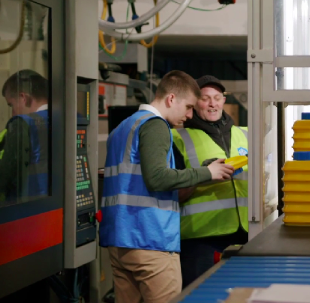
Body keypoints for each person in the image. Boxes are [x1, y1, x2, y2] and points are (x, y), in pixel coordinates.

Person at [99, 70, 234, 303]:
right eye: (189, 107)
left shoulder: (123, 127)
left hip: (119, 240)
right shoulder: (155, 125)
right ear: (171, 99)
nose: (190, 115)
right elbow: (157, 178)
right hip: (149, 239)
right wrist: (207, 172)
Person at [172, 75, 249, 288]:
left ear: (224, 101)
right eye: (205, 98)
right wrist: (204, 173)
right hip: (200, 240)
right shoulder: (178, 139)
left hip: (247, 234)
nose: (213, 104)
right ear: (194, 102)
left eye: (217, 97)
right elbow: (172, 193)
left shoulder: (247, 134)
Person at [0, 69, 50, 207]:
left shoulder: (22, 124)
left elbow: (0, 180)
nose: (12, 113)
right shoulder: (67, 119)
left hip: (27, 212)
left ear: (23, 98)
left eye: (11, 105)